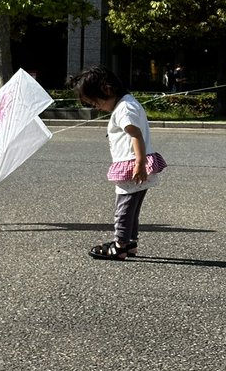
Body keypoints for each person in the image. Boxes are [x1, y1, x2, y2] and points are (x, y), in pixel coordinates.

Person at [68, 66, 166, 262]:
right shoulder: (128, 103)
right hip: (138, 165)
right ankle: (130, 242)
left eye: (94, 102)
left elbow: (135, 133)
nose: (95, 107)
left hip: (131, 167)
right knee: (132, 209)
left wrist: (138, 163)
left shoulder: (124, 108)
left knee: (123, 209)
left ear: (107, 90)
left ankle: (119, 246)